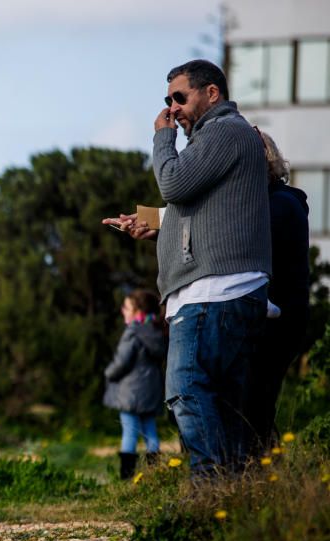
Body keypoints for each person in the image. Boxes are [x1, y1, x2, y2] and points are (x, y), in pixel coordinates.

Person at [102, 60, 271, 477]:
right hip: (220, 291)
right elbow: (203, 211)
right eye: (167, 101)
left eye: (180, 97)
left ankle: (211, 487)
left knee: (187, 392)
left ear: (211, 93)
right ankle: (234, 492)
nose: (172, 109)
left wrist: (162, 139)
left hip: (212, 293)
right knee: (220, 400)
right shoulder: (220, 138)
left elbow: (174, 183)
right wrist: (152, 222)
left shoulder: (223, 131)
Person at [243, 132, 310, 454]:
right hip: (277, 317)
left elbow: (238, 241)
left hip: (278, 320)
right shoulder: (278, 202)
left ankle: (258, 472)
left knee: (255, 401)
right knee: (255, 403)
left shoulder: (278, 205)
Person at [103, 289, 167, 480]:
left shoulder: (133, 332)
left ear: (138, 312)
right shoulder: (157, 331)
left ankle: (126, 476)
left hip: (130, 393)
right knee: (150, 432)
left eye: (126, 307)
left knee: (129, 432)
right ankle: (154, 473)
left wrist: (108, 373)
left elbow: (122, 361)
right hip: (151, 391)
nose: (123, 310)